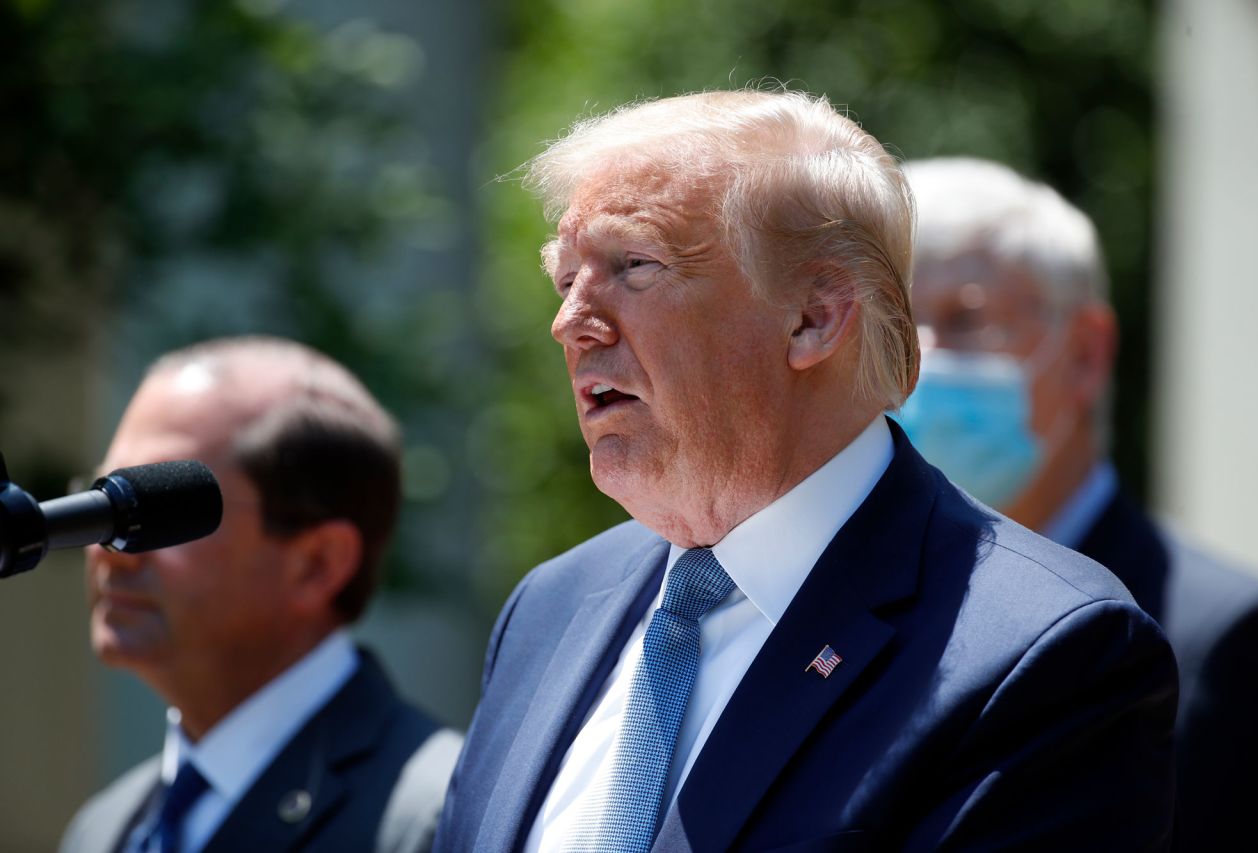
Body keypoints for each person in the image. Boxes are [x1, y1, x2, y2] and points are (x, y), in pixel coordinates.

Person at [435, 90, 1177, 852]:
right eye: (566, 280)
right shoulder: (550, 608)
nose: (571, 321)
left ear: (815, 315)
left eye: (633, 265)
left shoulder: (1046, 653)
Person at [898, 156, 1258, 852]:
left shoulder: (1221, 637)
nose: (921, 363)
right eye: (895, 327)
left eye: (965, 318)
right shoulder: (870, 607)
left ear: (1083, 354)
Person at [60, 336, 461, 853]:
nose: (111, 550)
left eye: (156, 513)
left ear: (317, 565)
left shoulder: (443, 819)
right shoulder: (102, 828)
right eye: (104, 502)